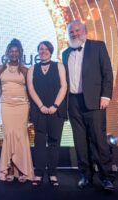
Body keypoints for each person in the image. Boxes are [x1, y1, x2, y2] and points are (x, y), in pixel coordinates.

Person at [62, 20, 115, 191]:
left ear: (84, 31)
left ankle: (107, 177)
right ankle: (86, 175)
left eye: (77, 30)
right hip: (74, 102)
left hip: (94, 101)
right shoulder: (65, 53)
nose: (74, 34)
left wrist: (106, 95)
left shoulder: (98, 46)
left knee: (98, 141)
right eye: (71, 32)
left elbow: (107, 72)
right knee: (80, 142)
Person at [28, 41, 67, 186]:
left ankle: (52, 173)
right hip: (39, 111)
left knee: (54, 143)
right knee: (39, 143)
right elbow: (31, 89)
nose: (43, 51)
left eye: (46, 49)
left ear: (51, 51)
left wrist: (55, 105)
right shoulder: (33, 68)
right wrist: (41, 106)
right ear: (38, 51)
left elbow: (64, 86)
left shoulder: (59, 66)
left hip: (56, 110)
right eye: (41, 49)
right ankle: (38, 173)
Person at [0, 39, 34, 182]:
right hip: (6, 105)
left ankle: (22, 169)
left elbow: (30, 91)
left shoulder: (25, 70)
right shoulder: (0, 69)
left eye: (16, 51)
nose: (13, 54)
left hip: (21, 106)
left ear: (20, 53)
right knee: (9, 135)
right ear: (7, 53)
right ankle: (10, 168)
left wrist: (32, 108)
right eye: (11, 51)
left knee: (21, 137)